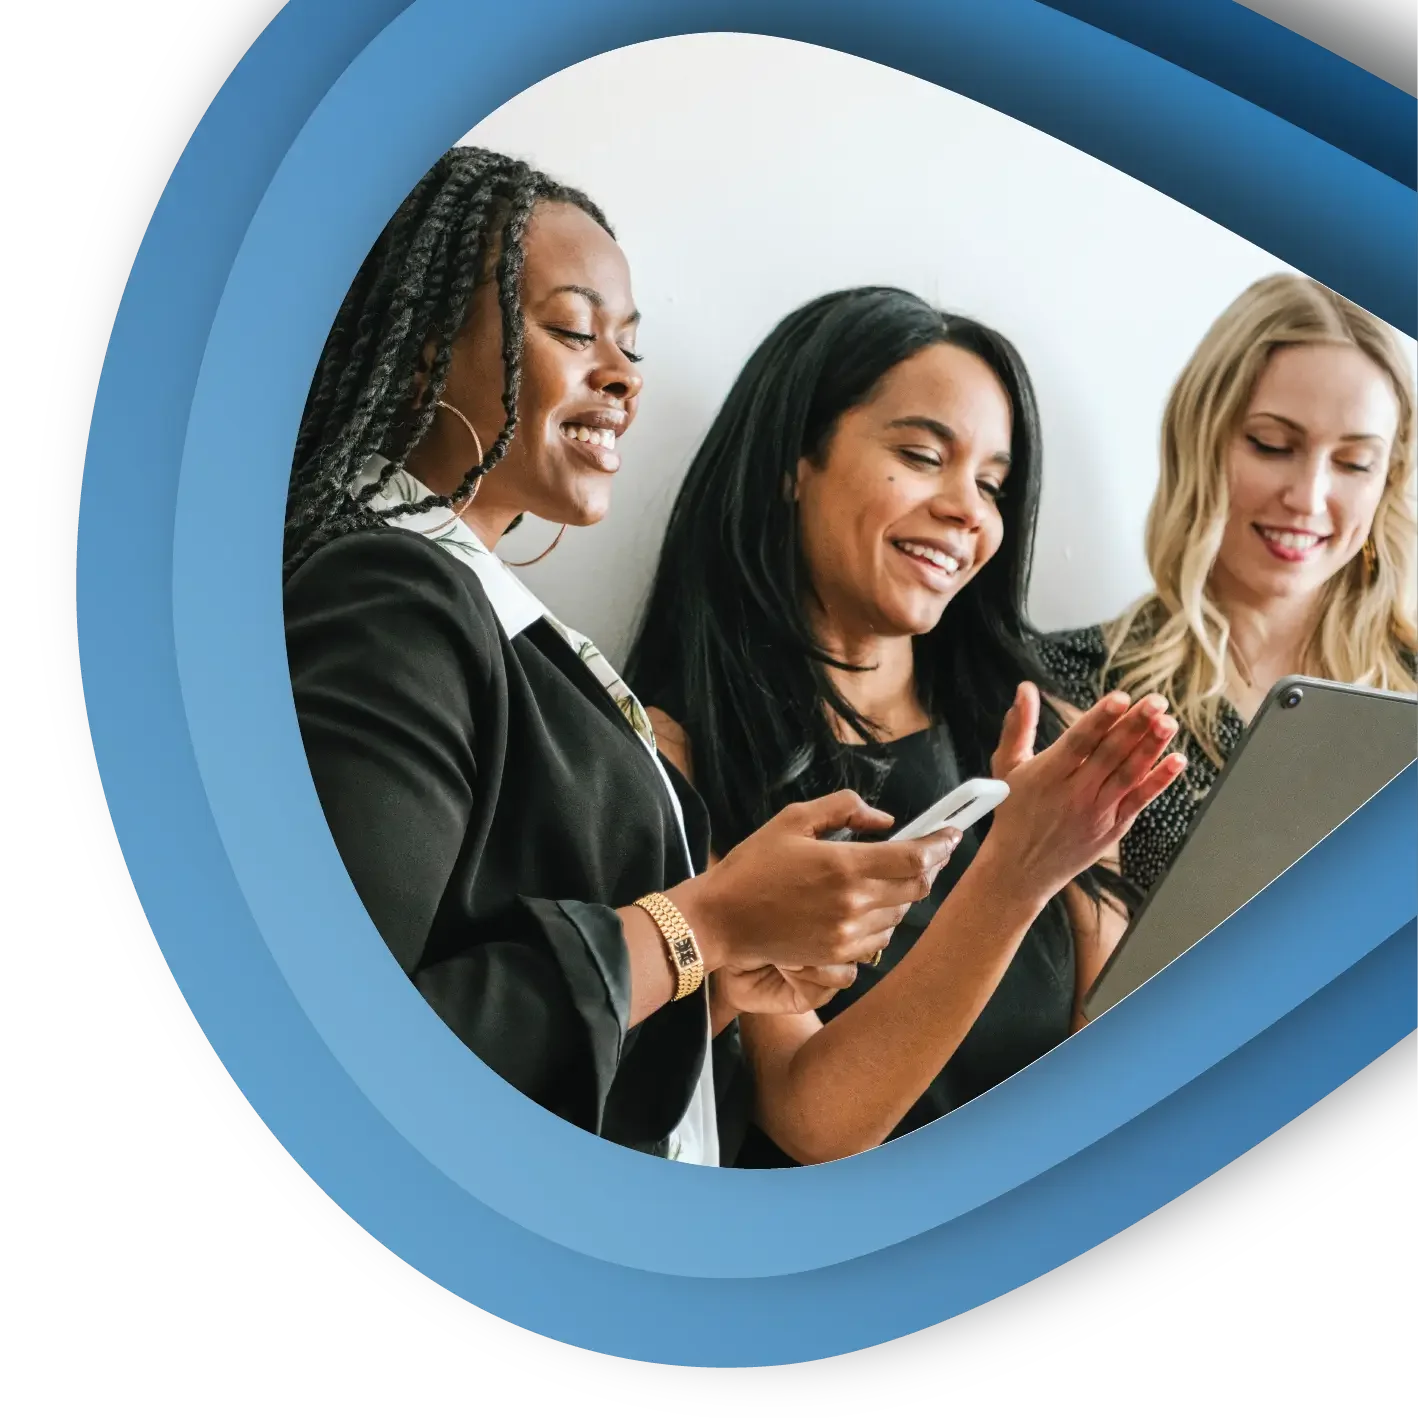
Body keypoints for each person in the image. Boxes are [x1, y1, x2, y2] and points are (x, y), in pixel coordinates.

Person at [282, 150, 964, 1165]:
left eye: (630, 347)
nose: (621, 375)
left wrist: (718, 983)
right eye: (571, 330)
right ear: (424, 349)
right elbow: (332, 1047)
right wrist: (702, 923)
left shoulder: (498, 618)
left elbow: (540, 1007)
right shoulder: (387, 594)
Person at [625, 286, 1187, 1166]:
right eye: (924, 455)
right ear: (793, 460)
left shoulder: (1041, 728)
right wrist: (1012, 876)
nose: (969, 509)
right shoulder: (676, 757)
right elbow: (814, 1123)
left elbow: (1108, 1061)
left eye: (994, 485)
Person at [1041, 273, 1417, 897]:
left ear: (1387, 479)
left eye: (1353, 462)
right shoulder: (1079, 685)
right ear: (1200, 443)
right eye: (1272, 445)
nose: (1308, 497)